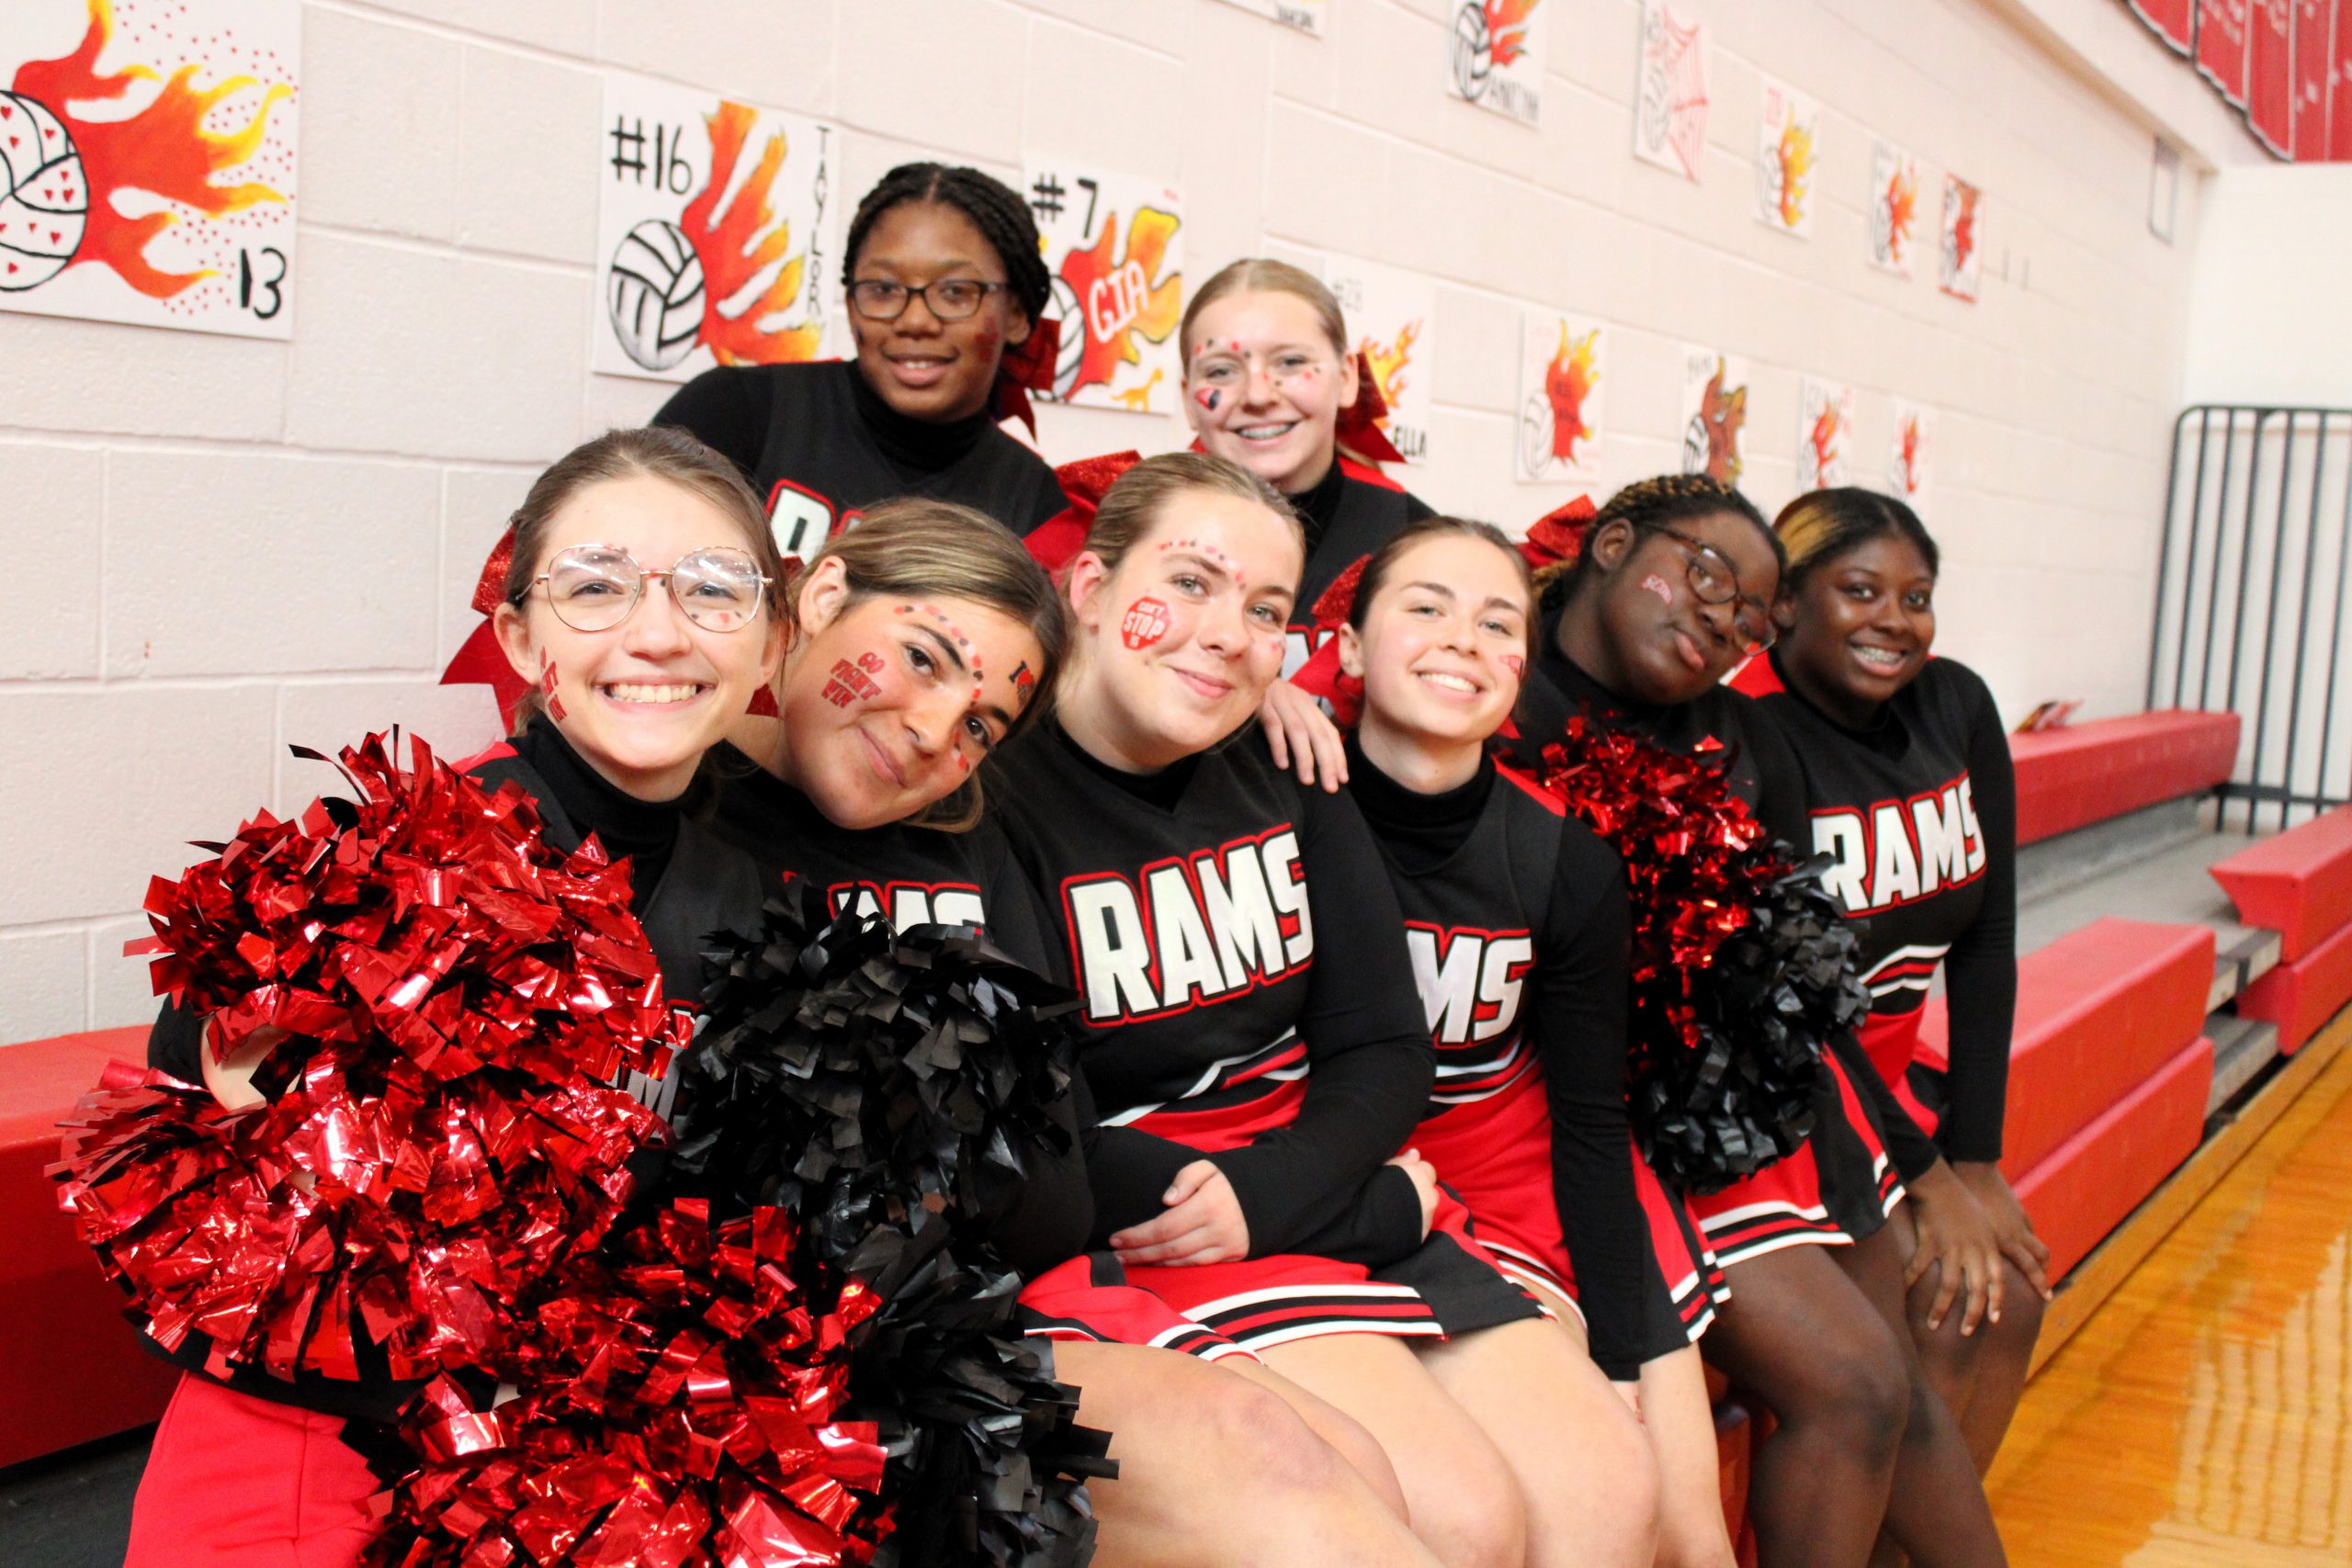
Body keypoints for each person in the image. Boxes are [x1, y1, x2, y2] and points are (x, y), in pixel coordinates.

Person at [697, 492, 1443, 1567]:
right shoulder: (682, 812)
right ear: (820, 595)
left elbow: (1058, 1175)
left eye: (980, 726)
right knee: (1292, 1480)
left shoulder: (957, 829)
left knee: (1356, 1468)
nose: (927, 731)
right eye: (917, 656)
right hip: (770, 1366)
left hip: (976, 1311)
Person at [125, 426, 792, 1567]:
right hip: (316, 1436)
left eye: (712, 590)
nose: (658, 630)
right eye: (596, 588)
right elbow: (193, 1108)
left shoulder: (753, 897)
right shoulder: (395, 857)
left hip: (573, 1451)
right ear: (519, 636)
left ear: (771, 636)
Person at [996, 451, 1661, 1568]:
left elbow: (1385, 1048)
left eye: (1265, 610)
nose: (1224, 632)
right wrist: (1364, 1213)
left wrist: (1288, 1193)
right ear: (1093, 589)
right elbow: (1038, 1141)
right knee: (1462, 1518)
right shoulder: (997, 791)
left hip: (1299, 1176)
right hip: (1152, 1220)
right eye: (1193, 582)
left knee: (1604, 1495)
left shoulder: (1289, 761)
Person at [1516, 473, 2007, 1568]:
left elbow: (1804, 973)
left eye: (1745, 612)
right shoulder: (1505, 695)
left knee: (1900, 1390)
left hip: (1768, 1102)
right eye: (1700, 574)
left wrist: (1917, 1158)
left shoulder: (1741, 735)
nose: (1716, 619)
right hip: (1616, 1121)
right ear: (1612, 545)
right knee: (1861, 1384)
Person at [1336, 513, 1739, 1568]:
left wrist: (1614, 1348)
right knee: (1572, 1507)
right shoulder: (1282, 803)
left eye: (1496, 619)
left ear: (1523, 659)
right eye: (1424, 608)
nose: (1462, 638)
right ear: (1343, 645)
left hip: (1535, 1173)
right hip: (1381, 1184)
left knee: (1689, 1534)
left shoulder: (1560, 856)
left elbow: (1590, 1123)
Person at [1730, 488, 2047, 1479]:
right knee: (1948, 1317)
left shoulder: (1956, 703)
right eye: (1858, 590)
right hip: (1793, 1099)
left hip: (1894, 1093)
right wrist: (1926, 1176)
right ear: (1783, 604)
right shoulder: (1748, 735)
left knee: (2012, 1297)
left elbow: (1987, 938)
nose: (1893, 621)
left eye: (1916, 597)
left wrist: (1978, 1157)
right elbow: (1790, 999)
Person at [654, 162, 1069, 556]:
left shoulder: (1037, 504)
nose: (915, 320)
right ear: (852, 301)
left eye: (955, 291)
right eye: (884, 288)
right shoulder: (733, 413)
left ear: (1016, 315)